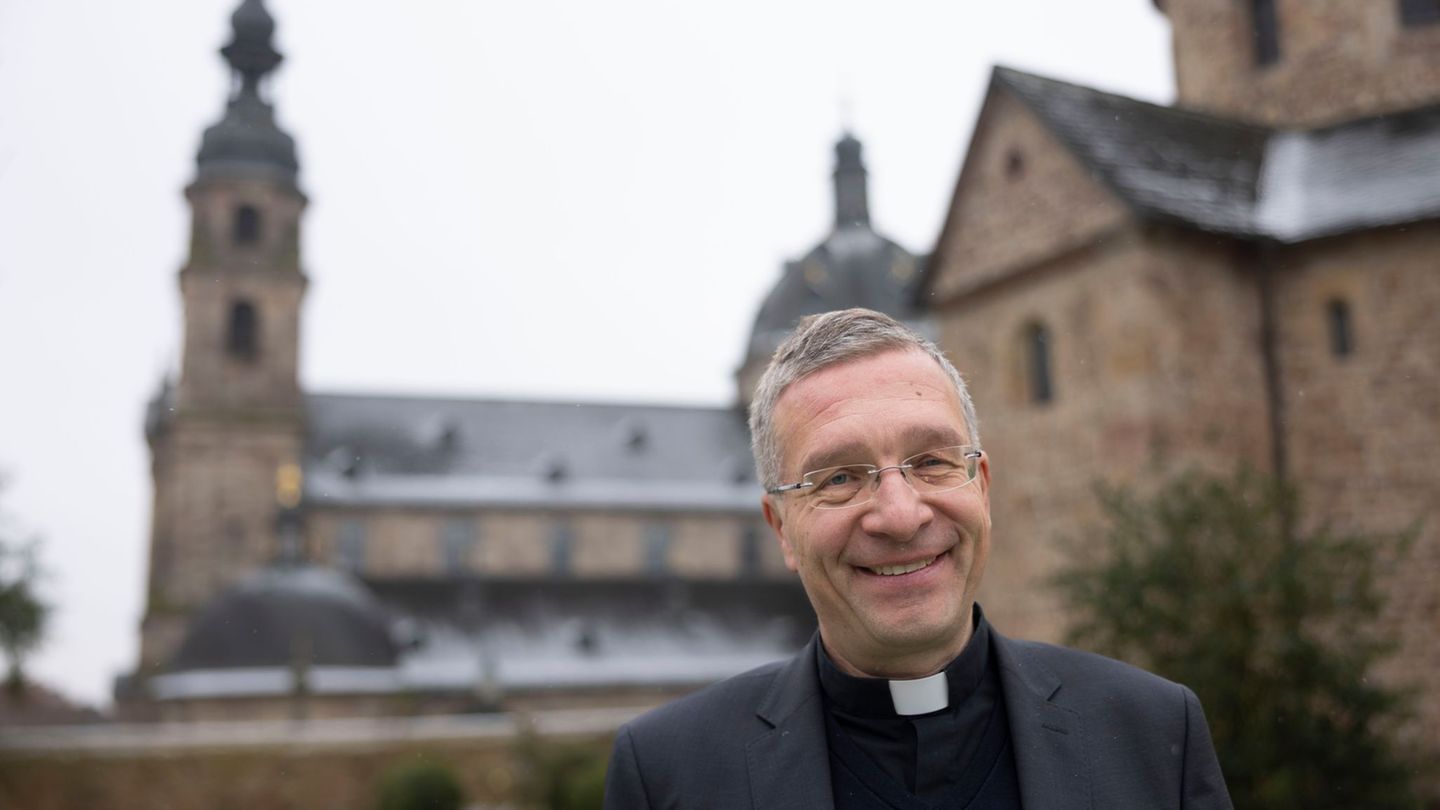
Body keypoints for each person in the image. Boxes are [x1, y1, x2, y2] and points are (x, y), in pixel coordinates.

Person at [604, 308, 1231, 809]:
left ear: (981, 487)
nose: (901, 517)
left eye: (931, 461)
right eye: (840, 478)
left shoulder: (1154, 733)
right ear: (782, 529)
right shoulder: (667, 775)